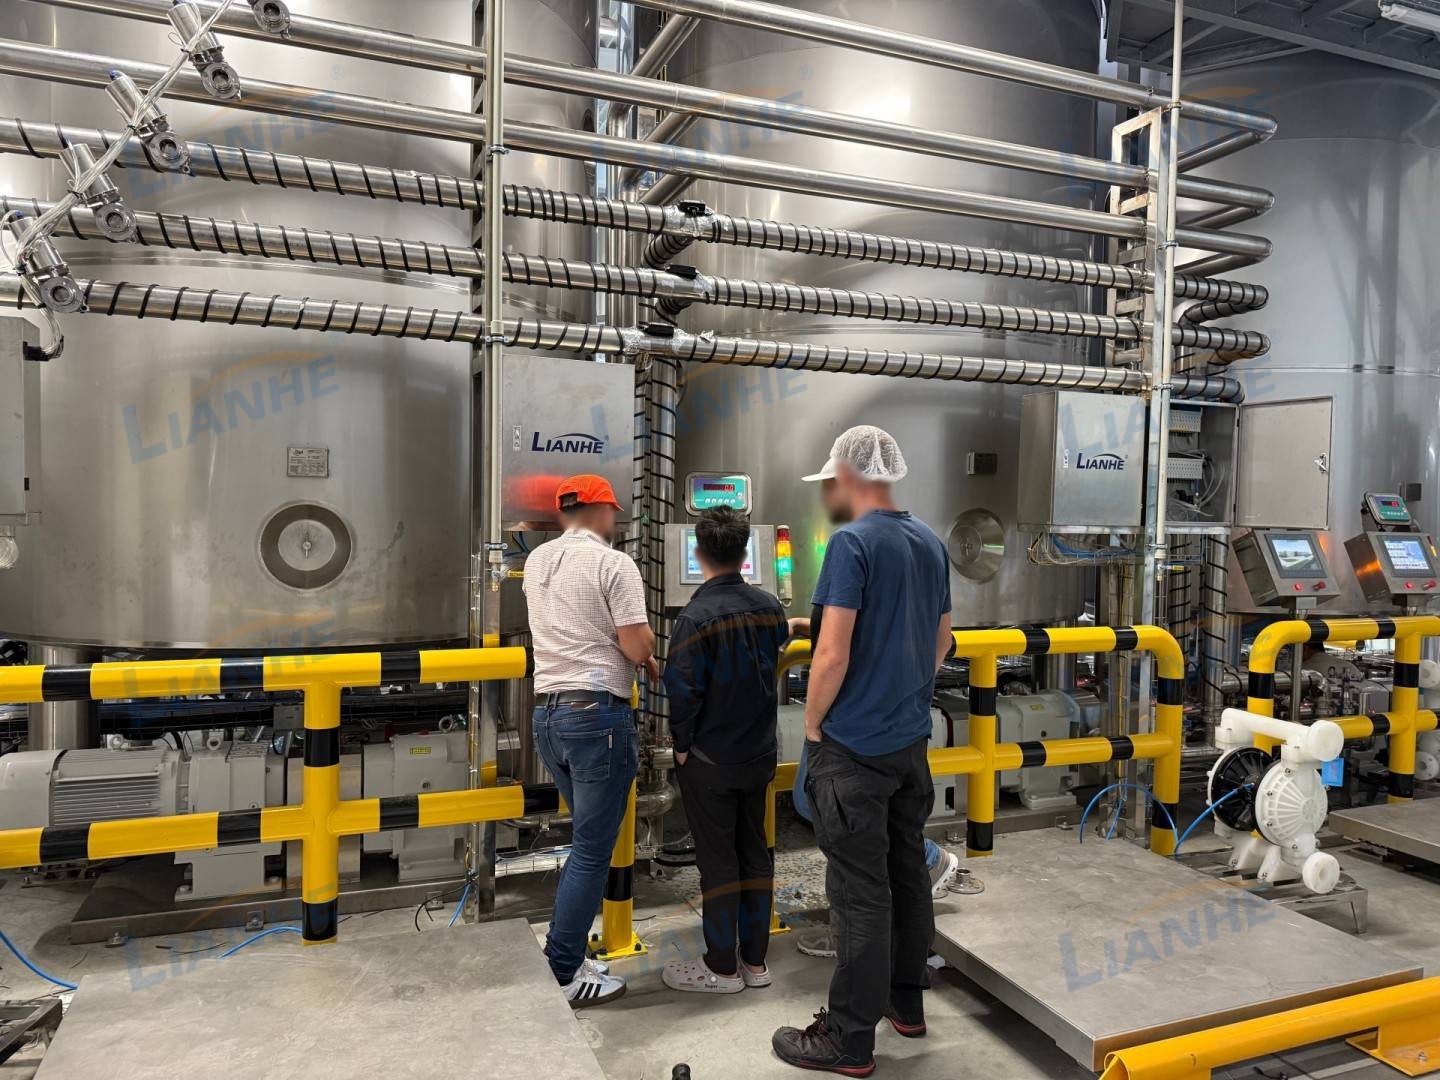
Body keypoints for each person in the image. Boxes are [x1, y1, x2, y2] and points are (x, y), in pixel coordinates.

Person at [772, 427, 953, 1077]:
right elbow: (942, 641)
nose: (829, 493)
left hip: (853, 750)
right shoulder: (928, 541)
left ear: (849, 475)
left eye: (830, 481)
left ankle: (849, 1039)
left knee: (859, 894)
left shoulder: (851, 543)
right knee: (906, 875)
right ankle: (907, 1004)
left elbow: (832, 652)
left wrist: (813, 724)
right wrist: (901, 689)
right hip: (909, 744)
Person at [524, 474, 659, 1008]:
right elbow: (636, 644)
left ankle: (567, 954)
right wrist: (648, 650)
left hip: (548, 716)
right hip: (596, 717)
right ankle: (562, 970)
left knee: (584, 842)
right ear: (604, 511)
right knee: (591, 851)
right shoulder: (613, 564)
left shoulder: (537, 562)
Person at [660, 507, 790, 995]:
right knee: (755, 851)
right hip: (758, 755)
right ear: (745, 551)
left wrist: (682, 746)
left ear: (698, 553)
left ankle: (722, 967)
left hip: (710, 760)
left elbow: (683, 689)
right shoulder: (769, 607)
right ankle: (755, 961)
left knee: (718, 862)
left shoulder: (694, 617)